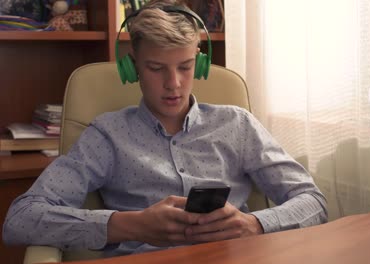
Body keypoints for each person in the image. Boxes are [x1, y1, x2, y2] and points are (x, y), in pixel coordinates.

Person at [2, 0, 327, 257]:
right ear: (132, 68)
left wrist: (254, 224)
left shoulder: (237, 124)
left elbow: (312, 201)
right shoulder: (107, 134)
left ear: (199, 64)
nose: (173, 84)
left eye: (185, 67)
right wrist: (129, 225)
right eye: (156, 68)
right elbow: (21, 219)